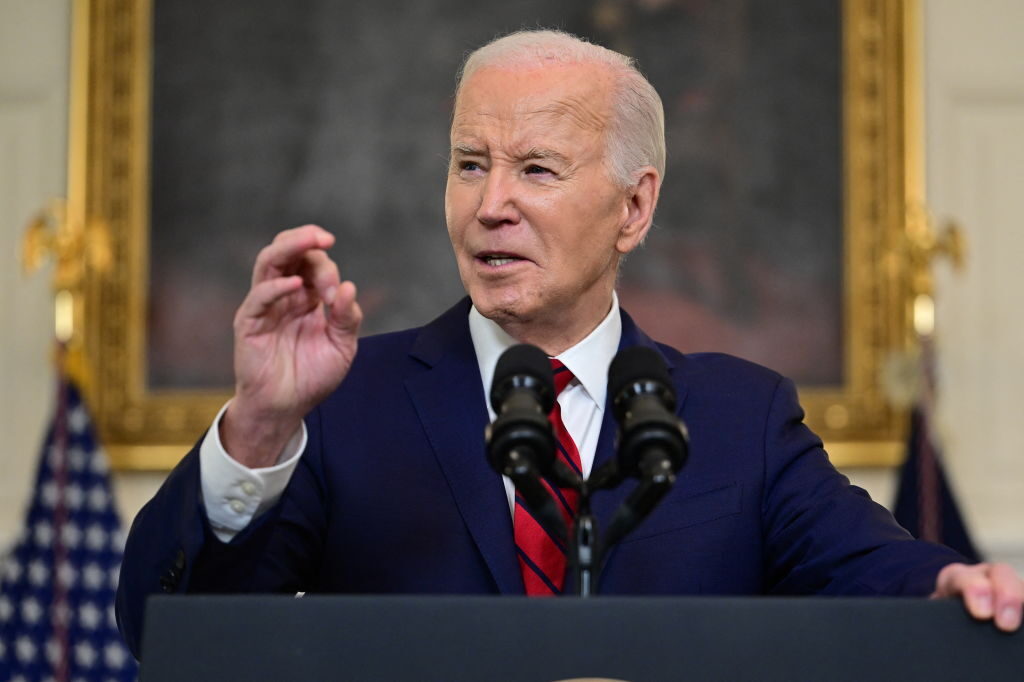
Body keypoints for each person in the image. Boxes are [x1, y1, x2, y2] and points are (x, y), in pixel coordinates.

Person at [116, 29, 1023, 657]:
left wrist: (957, 596)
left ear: (634, 207)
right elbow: (169, 630)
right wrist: (260, 433)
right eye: (470, 164)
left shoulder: (739, 418)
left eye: (536, 169)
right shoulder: (344, 403)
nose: (490, 203)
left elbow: (888, 575)